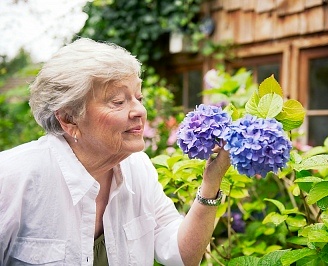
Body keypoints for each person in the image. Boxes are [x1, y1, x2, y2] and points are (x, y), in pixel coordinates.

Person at [0, 38, 231, 266]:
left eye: (139, 98)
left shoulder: (138, 167)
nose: (140, 110)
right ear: (69, 119)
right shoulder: (12, 179)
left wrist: (211, 182)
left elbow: (181, 256)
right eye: (118, 102)